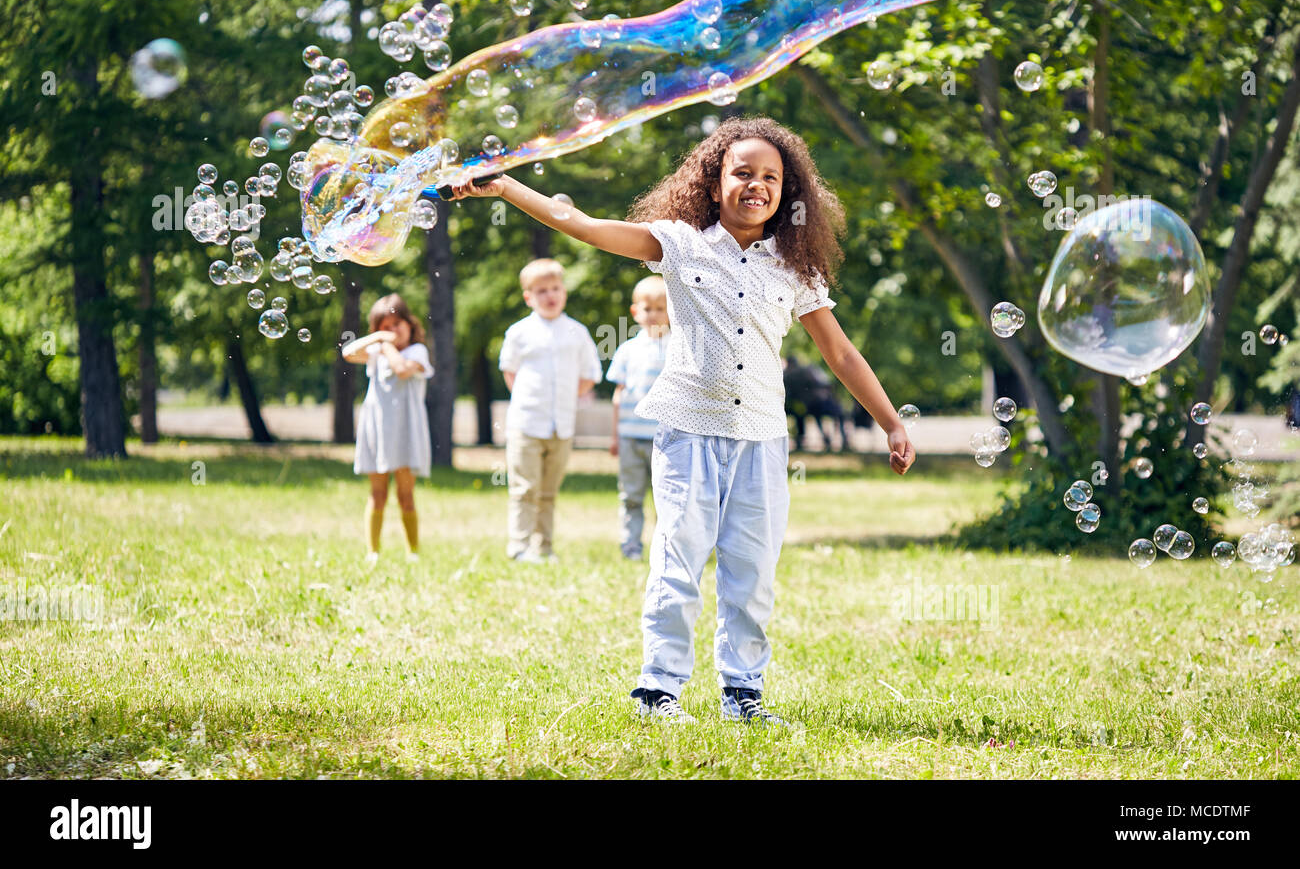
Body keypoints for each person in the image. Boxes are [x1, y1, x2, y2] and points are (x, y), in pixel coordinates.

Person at [449, 116, 915, 726]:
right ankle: (658, 690)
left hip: (762, 439)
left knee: (752, 571)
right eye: (742, 172)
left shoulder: (795, 267)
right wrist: (506, 188)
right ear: (713, 179)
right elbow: (582, 225)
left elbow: (841, 353)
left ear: (788, 190)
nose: (757, 185)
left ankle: (743, 695)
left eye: (771, 177)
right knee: (679, 559)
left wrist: (891, 421)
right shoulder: (679, 242)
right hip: (687, 431)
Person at [499, 258, 603, 563]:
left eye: (555, 288)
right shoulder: (519, 332)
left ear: (564, 292)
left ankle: (543, 547)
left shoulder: (576, 332)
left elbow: (588, 375)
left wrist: (566, 400)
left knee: (548, 491)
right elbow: (511, 373)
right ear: (529, 296)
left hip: (562, 425)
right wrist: (532, 400)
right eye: (541, 290)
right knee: (524, 487)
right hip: (527, 422)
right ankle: (519, 547)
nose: (550, 295)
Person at [343, 293, 434, 566]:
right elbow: (348, 352)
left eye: (398, 324)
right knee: (377, 494)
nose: (393, 332)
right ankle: (373, 551)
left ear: (410, 324)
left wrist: (386, 345)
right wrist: (377, 340)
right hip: (378, 429)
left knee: (405, 495)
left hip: (406, 430)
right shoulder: (378, 350)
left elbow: (402, 370)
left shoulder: (417, 352)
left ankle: (413, 551)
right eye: (385, 326)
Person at [606, 275, 671, 561]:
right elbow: (618, 395)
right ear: (636, 312)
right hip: (631, 436)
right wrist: (614, 435)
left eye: (661, 308)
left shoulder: (678, 348)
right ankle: (630, 545)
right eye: (648, 309)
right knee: (631, 495)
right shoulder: (627, 350)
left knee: (666, 498)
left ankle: (665, 549)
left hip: (665, 438)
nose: (654, 315)